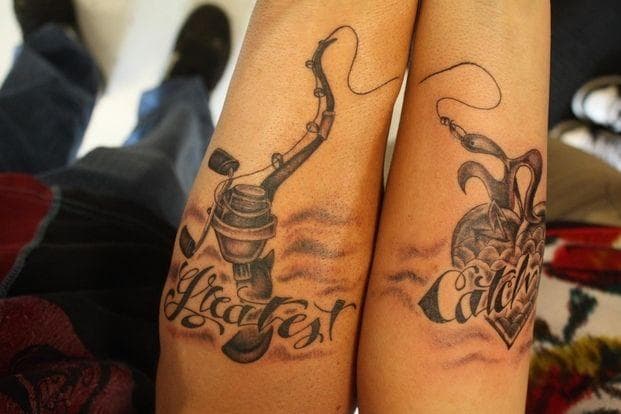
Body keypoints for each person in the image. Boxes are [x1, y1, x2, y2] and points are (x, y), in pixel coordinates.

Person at [0, 2, 230, 412]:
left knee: (17, 122)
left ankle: (60, 55)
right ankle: (184, 90)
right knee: (165, 152)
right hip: (108, 261)